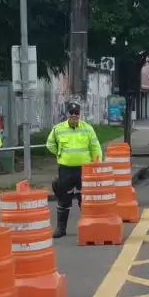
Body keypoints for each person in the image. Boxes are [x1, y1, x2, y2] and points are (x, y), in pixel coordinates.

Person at [48, 102, 103, 238]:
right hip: (65, 169)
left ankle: (89, 227)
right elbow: (50, 144)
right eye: (71, 113)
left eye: (76, 113)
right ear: (67, 114)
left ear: (79, 115)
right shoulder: (58, 129)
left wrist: (97, 163)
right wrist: (60, 154)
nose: (74, 116)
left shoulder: (87, 128)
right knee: (63, 198)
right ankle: (61, 228)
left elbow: (95, 147)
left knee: (84, 198)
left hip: (85, 169)